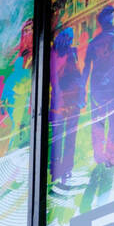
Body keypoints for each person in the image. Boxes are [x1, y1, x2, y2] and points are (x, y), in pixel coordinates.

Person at [81, 4, 114, 208]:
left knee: (105, 122)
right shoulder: (102, 40)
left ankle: (106, 157)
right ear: (104, 20)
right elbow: (87, 66)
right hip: (107, 86)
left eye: (112, 17)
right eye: (109, 17)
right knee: (107, 122)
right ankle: (106, 158)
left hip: (107, 85)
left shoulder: (103, 39)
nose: (112, 20)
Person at [50, 27, 87, 182]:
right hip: (60, 101)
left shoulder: (71, 52)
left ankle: (66, 170)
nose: (68, 40)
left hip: (72, 100)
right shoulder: (53, 54)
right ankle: (56, 169)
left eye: (70, 38)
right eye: (66, 37)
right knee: (58, 135)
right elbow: (54, 78)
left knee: (70, 135)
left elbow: (78, 74)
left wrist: (82, 94)